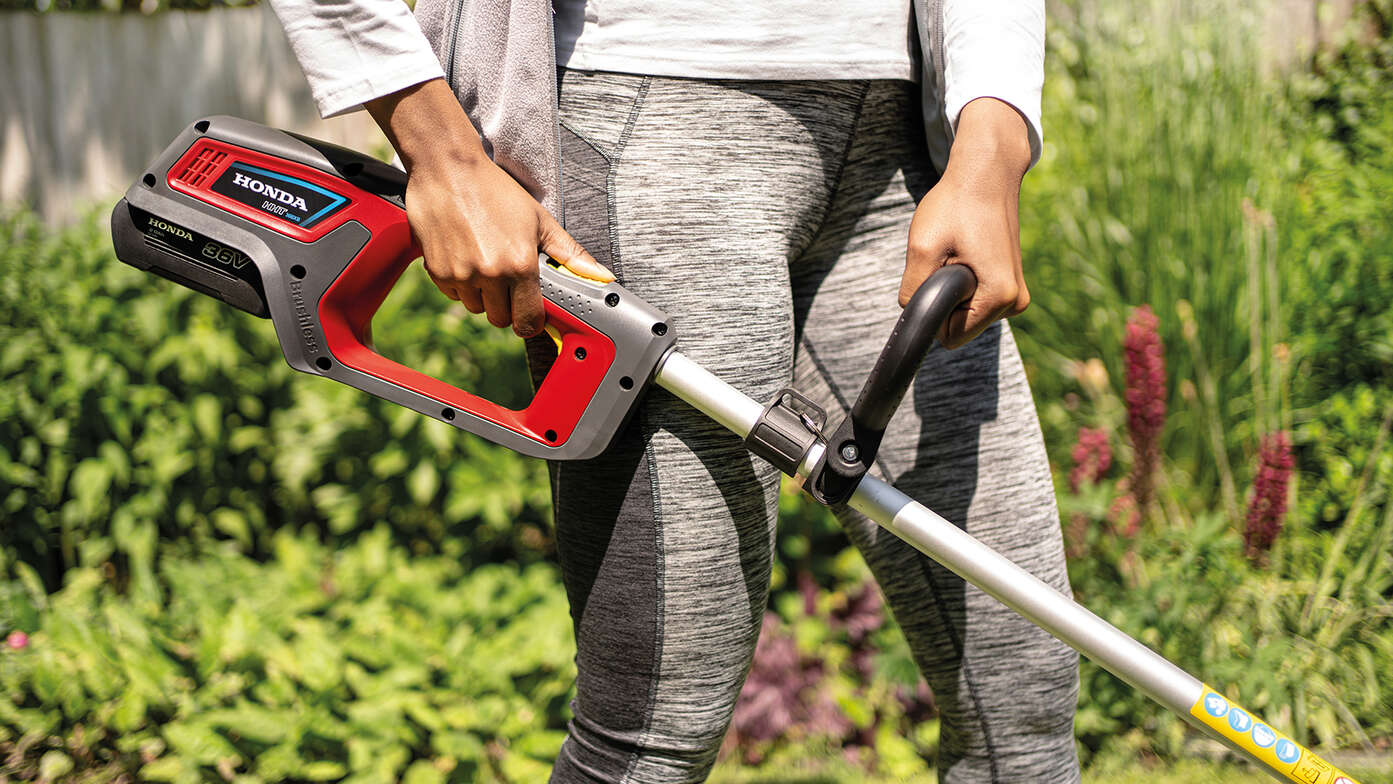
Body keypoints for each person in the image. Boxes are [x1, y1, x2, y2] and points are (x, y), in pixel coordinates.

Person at [267, 0, 1080, 781]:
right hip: (652, 132)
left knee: (1024, 693)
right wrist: (441, 152)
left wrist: (991, 144)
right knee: (656, 731)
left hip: (903, 167)